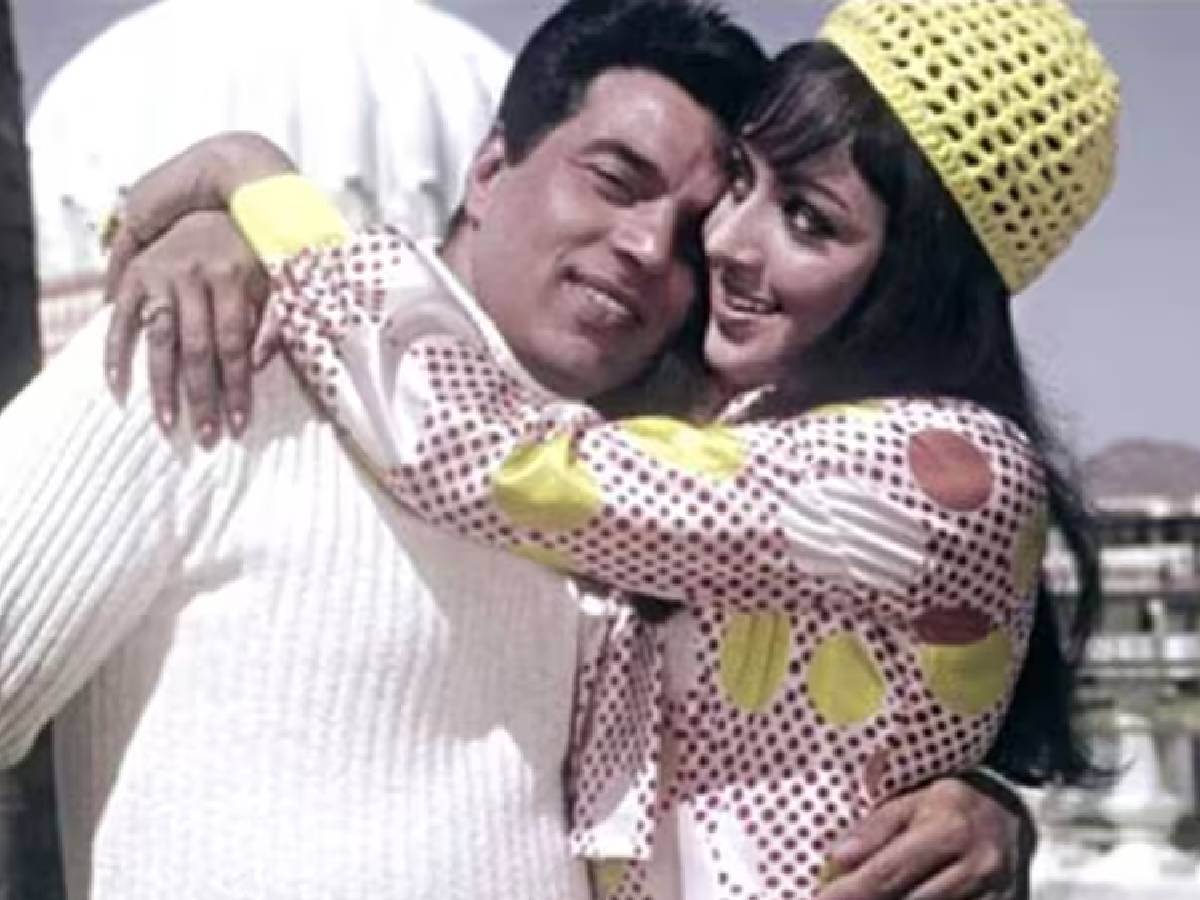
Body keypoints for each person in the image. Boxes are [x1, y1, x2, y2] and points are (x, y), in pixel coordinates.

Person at [0, 2, 1025, 899]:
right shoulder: (215, 347)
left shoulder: (645, 484)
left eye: (692, 227)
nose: (656, 248)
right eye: (614, 180)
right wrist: (245, 202)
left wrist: (983, 804)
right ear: (489, 169)